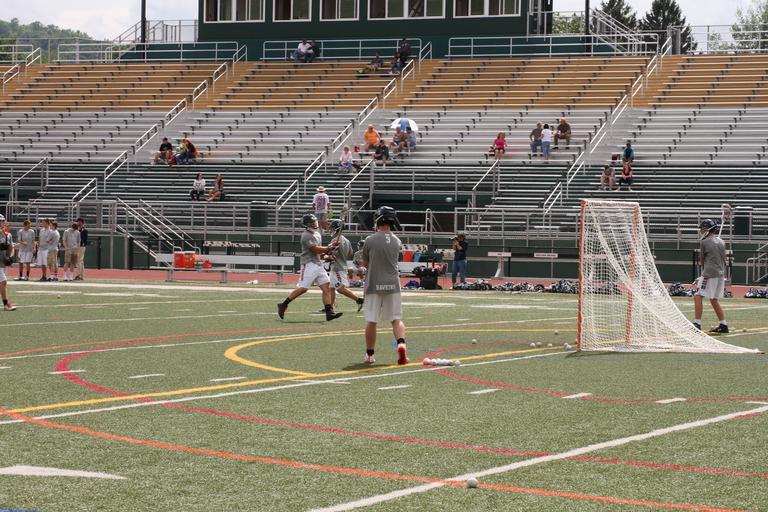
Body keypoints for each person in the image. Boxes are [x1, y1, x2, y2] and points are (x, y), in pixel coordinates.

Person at [359, 206, 408, 365]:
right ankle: (401, 344)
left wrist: (359, 268)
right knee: (396, 319)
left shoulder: (369, 240)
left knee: (372, 320)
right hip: (393, 284)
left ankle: (370, 355)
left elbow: (365, 263)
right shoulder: (397, 241)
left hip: (374, 283)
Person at [277, 214, 343, 322]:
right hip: (308, 264)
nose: (314, 223)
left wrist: (327, 255)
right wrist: (329, 248)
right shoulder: (306, 235)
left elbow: (319, 253)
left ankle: (329, 313)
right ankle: (283, 304)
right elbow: (314, 249)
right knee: (303, 288)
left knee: (326, 287)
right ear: (306, 224)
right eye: (311, 222)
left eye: (314, 221)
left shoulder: (317, 234)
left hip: (318, 264)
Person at [693, 219, 728, 333]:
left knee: (698, 295)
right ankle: (723, 325)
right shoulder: (722, 241)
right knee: (713, 299)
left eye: (703, 228)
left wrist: (704, 274)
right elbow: (724, 260)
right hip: (721, 274)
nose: (701, 230)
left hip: (709, 273)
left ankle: (697, 324)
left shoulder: (704, 242)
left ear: (708, 229)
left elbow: (702, 260)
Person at [327, 219, 365, 312]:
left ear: (336, 229)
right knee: (331, 288)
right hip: (341, 264)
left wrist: (330, 254)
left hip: (337, 267)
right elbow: (350, 253)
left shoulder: (335, 240)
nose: (330, 230)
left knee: (340, 289)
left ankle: (359, 300)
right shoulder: (347, 240)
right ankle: (331, 307)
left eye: (332, 228)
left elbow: (333, 253)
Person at [0, 215, 17, 311]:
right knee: (3, 282)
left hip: (3, 263)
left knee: (2, 284)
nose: (1, 223)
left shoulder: (8, 235)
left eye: (2, 221)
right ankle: (6, 304)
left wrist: (10, 257)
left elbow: (11, 247)